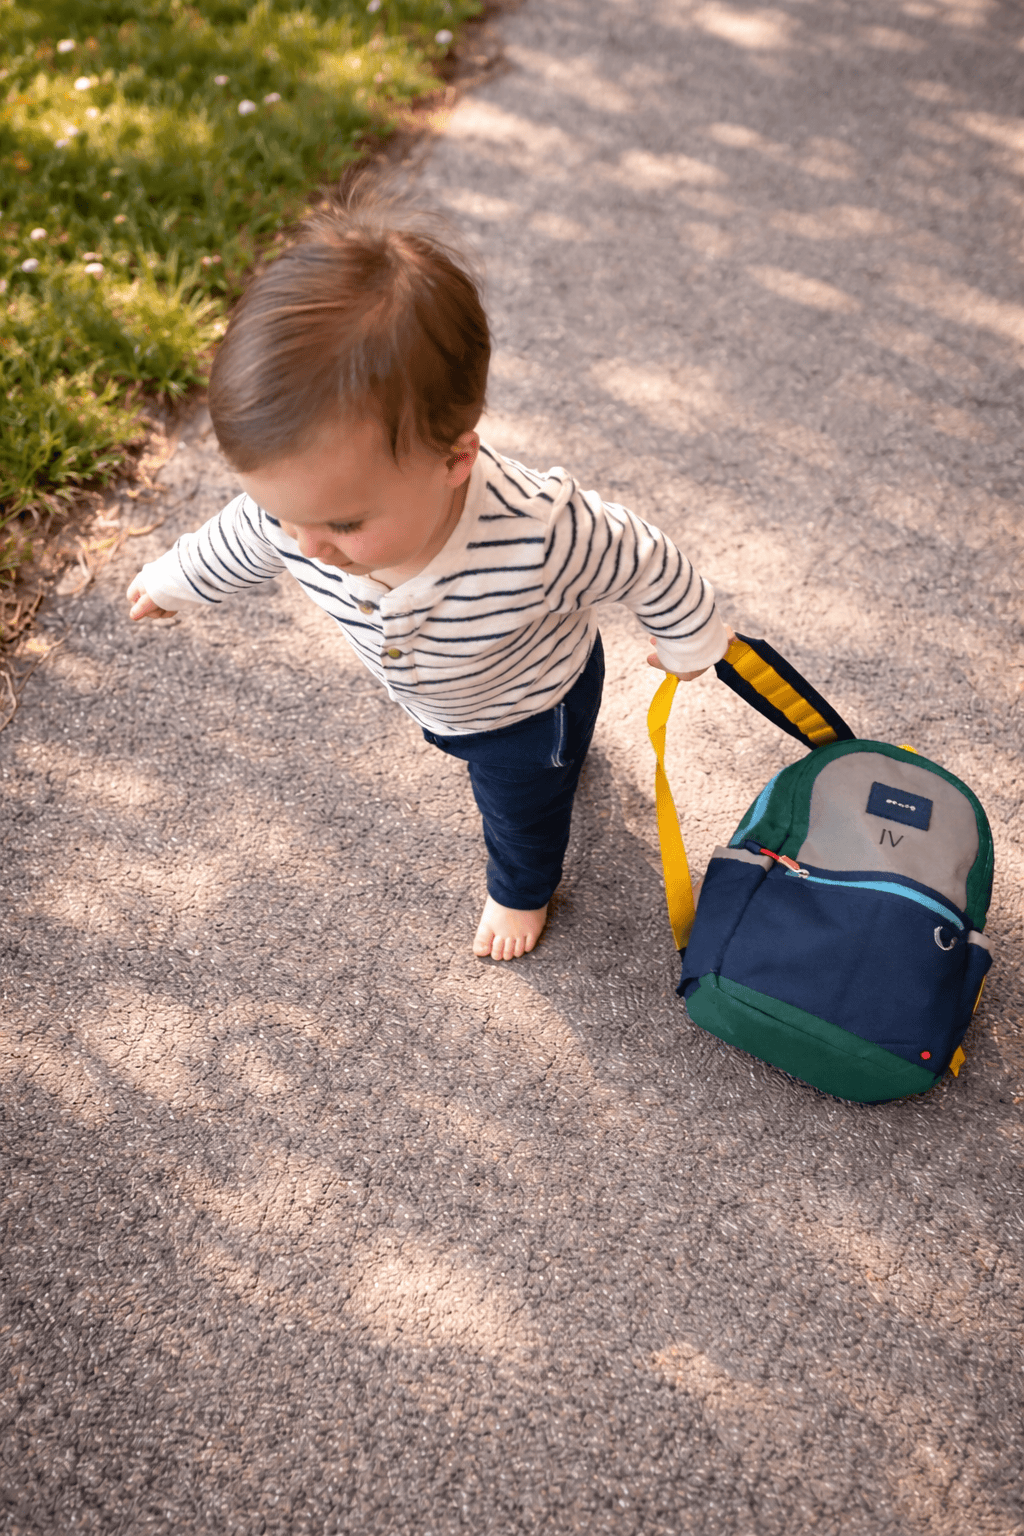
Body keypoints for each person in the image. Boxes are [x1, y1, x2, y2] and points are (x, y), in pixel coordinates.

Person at [127, 191, 732, 961]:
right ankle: (565, 763)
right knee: (536, 766)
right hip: (442, 694)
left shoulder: (539, 530)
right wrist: (177, 580)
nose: (307, 546)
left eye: (344, 525)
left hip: (525, 704)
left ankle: (523, 888)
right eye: (281, 514)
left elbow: (644, 556)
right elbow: (239, 538)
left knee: (524, 804)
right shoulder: (299, 515)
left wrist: (690, 636)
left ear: (455, 459)